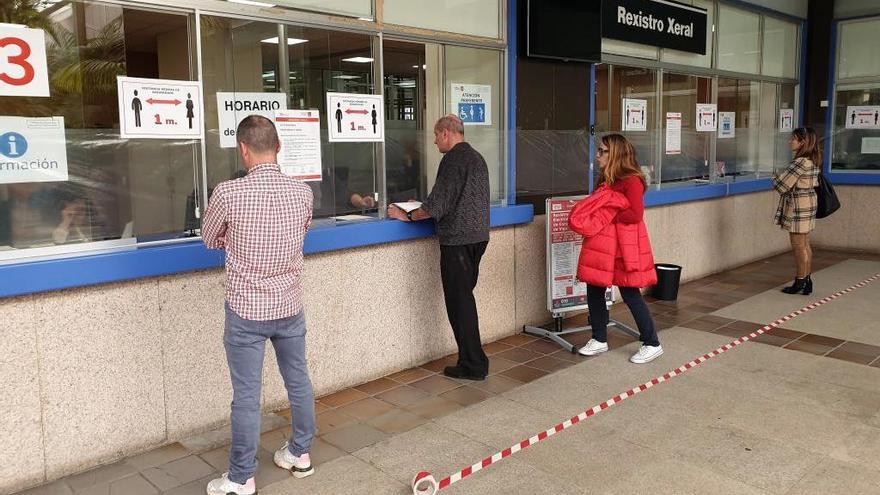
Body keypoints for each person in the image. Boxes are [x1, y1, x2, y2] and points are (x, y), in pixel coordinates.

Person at [202, 115, 316, 495]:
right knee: (298, 380)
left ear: (243, 149)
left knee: (247, 395)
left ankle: (241, 477)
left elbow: (209, 238)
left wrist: (232, 243)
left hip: (246, 309)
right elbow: (301, 233)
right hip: (289, 303)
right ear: (279, 147)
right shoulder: (302, 193)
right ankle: (300, 454)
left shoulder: (227, 193)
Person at [387, 114, 490, 380]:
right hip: (477, 239)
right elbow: (455, 198)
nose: (434, 141)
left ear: (446, 133)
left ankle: (473, 364)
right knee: (464, 299)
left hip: (457, 242)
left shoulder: (453, 159)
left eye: (435, 135)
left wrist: (407, 214)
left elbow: (437, 206)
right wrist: (423, 203)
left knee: (460, 304)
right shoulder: (476, 157)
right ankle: (474, 360)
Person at [569, 134, 663, 364]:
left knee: (630, 292)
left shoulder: (632, 180)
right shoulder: (608, 179)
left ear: (616, 154)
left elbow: (634, 214)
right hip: (604, 245)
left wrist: (606, 210)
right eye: (598, 151)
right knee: (594, 288)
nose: (597, 155)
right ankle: (599, 338)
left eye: (602, 151)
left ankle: (652, 343)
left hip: (623, 245)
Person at [773, 127, 820, 295]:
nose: (789, 141)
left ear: (802, 142)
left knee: (798, 245)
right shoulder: (812, 159)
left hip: (799, 206)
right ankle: (806, 280)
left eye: (793, 139)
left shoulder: (800, 162)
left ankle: (800, 281)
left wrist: (775, 176)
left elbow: (781, 185)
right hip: (808, 202)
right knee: (805, 243)